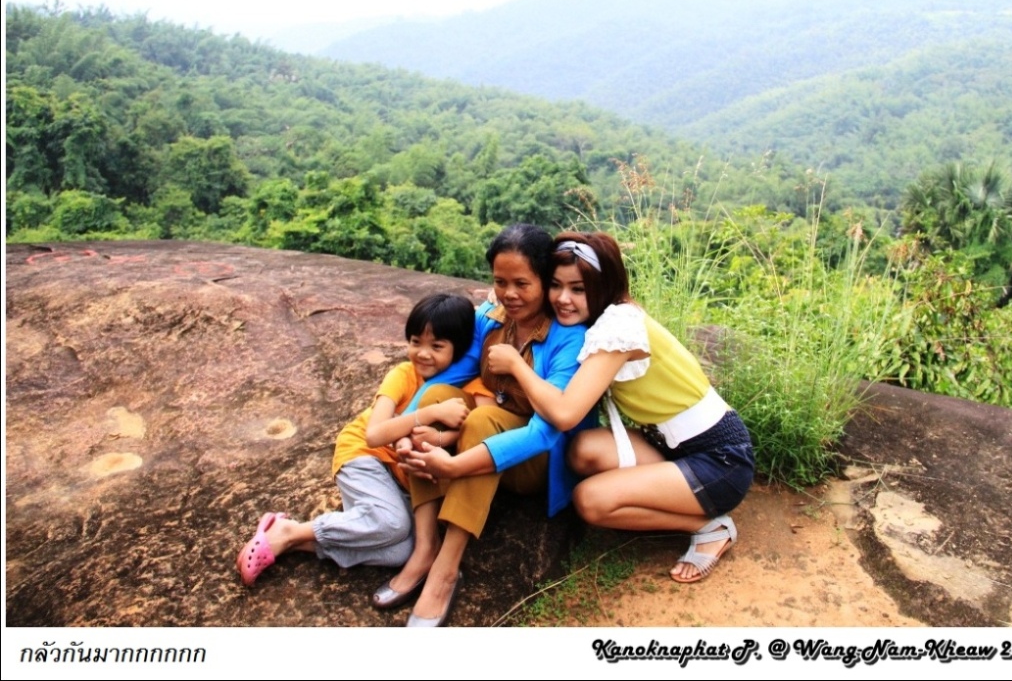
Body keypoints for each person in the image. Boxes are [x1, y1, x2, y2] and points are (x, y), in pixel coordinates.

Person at [486, 231, 755, 583]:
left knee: (590, 501)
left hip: (720, 461)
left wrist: (516, 366)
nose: (563, 299)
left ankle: (709, 526)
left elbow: (565, 414)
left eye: (578, 289)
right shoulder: (603, 316)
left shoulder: (618, 327)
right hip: (667, 445)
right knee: (582, 451)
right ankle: (669, 493)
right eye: (555, 285)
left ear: (603, 285)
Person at [378, 223, 592, 627]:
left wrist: (454, 464)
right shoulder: (491, 319)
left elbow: (547, 430)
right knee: (439, 401)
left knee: (482, 418)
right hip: (484, 438)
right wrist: (409, 425)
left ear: (544, 279)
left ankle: (446, 569)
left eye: (522, 284)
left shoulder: (568, 337)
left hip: (533, 459)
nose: (509, 294)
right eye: (500, 282)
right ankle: (425, 546)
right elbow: (447, 378)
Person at [235, 293, 476, 586]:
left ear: (459, 348)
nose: (423, 353)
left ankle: (294, 540)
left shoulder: (464, 387)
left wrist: (443, 434)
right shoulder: (403, 374)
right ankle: (292, 532)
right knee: (392, 524)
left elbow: (469, 430)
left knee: (401, 551)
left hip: (400, 479)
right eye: (416, 342)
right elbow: (374, 434)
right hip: (364, 455)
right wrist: (430, 413)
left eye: (436, 346)